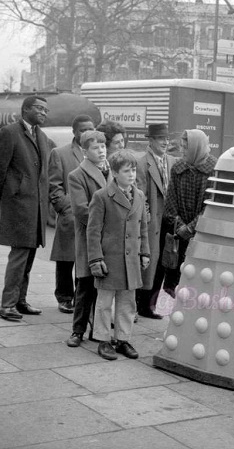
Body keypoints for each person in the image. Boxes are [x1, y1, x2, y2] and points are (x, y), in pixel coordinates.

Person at [0, 96, 51, 321]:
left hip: (36, 207)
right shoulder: (9, 132)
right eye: (39, 108)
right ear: (25, 109)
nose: (44, 113)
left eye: (46, 110)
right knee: (19, 256)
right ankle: (7, 305)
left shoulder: (41, 136)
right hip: (18, 205)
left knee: (29, 254)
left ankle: (20, 301)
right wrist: (0, 199)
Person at [87, 149, 150, 360]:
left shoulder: (139, 196)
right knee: (105, 302)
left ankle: (123, 339)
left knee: (127, 302)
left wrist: (144, 252)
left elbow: (143, 228)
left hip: (131, 260)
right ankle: (103, 340)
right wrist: (96, 258)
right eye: (126, 171)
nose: (131, 175)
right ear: (114, 172)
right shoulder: (102, 196)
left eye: (133, 170)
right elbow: (93, 230)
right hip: (109, 259)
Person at [65, 130, 110, 347]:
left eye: (103, 146)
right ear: (84, 151)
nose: (101, 151)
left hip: (110, 239)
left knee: (105, 284)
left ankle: (99, 329)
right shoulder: (77, 175)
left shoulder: (113, 170)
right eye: (95, 147)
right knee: (85, 284)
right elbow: (81, 210)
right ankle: (77, 330)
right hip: (89, 237)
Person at [49, 114, 95, 314]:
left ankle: (81, 297)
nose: (87, 132)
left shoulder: (98, 152)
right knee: (66, 258)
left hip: (93, 214)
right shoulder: (60, 153)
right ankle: (64, 296)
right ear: (74, 132)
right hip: (71, 214)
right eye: (83, 129)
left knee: (86, 257)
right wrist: (66, 206)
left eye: (90, 128)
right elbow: (54, 186)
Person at [163, 129, 217, 295]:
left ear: (196, 148)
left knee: (200, 282)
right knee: (178, 284)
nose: (182, 151)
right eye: (181, 146)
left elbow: (211, 206)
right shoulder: (178, 167)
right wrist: (180, 226)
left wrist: (190, 228)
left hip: (203, 234)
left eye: (185, 147)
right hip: (180, 235)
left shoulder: (215, 169)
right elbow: (170, 202)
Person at [135, 123, 178, 319]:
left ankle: (150, 305)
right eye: (161, 139)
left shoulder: (172, 161)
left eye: (166, 139)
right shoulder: (142, 163)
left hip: (168, 221)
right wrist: (146, 216)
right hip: (152, 222)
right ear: (150, 140)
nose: (165, 142)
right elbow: (140, 195)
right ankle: (142, 305)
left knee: (162, 263)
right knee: (148, 262)